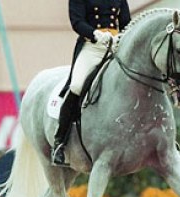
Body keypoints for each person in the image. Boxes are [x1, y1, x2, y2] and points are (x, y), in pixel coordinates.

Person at [51, 0, 131, 166]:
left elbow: (125, 22)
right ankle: (60, 142)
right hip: (93, 46)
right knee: (77, 85)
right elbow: (77, 22)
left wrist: (122, 36)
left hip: (116, 46)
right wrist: (95, 34)